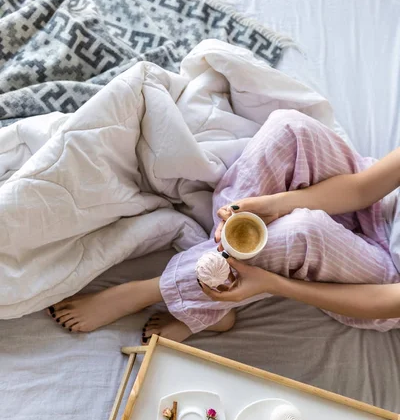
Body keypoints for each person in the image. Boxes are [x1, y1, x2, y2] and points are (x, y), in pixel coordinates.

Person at [47, 110, 400, 341]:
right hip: (377, 206)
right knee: (290, 129)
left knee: (303, 233)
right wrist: (275, 204)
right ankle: (216, 301)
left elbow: (389, 302)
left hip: (385, 282)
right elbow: (363, 188)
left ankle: (156, 290)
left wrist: (276, 285)